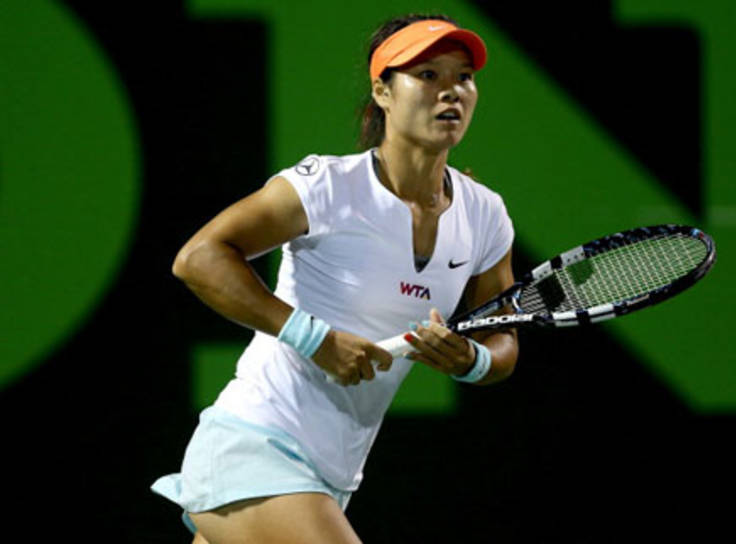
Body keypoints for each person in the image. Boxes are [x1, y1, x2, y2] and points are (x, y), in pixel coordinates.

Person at [151, 13, 519, 544]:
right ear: (383, 92)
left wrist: (470, 360)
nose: (451, 92)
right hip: (258, 443)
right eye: (428, 75)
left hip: (334, 470)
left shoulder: (485, 215)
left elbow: (503, 338)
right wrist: (315, 339)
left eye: (463, 77)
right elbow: (199, 258)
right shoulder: (327, 186)